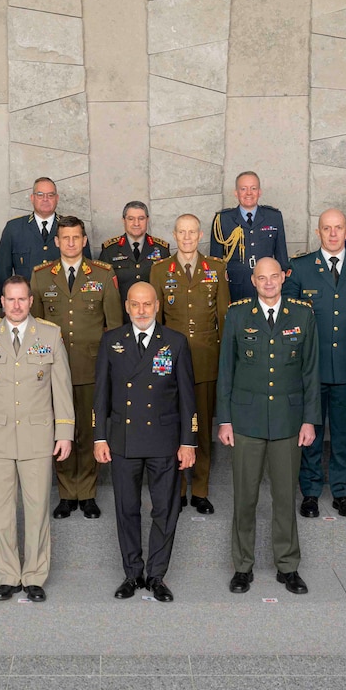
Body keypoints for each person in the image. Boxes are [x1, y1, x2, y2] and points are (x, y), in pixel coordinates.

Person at [0, 277, 74, 601]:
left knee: (38, 509)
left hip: (37, 436)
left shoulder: (50, 334)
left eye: (22, 299)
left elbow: (62, 388)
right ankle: (8, 575)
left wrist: (64, 432)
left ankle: (35, 576)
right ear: (2, 301)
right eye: (10, 300)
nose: (16, 305)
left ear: (30, 301)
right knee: (0, 511)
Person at [218, 258, 320, 595]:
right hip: (246, 419)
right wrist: (225, 420)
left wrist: (309, 419)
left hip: (288, 421)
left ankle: (287, 566)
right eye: (262, 278)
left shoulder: (302, 314)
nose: (268, 283)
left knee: (284, 496)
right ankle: (242, 566)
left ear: (283, 277)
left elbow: (310, 372)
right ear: (253, 280)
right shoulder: (238, 314)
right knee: (245, 497)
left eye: (274, 277)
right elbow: (226, 371)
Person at [93, 282, 196, 602]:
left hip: (164, 440)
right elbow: (100, 394)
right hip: (123, 440)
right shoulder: (112, 341)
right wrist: (99, 436)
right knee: (126, 508)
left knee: (166, 509)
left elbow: (188, 398)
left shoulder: (175, 342)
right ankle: (132, 573)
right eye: (135, 305)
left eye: (147, 304)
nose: (141, 311)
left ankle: (157, 575)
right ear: (126, 306)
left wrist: (188, 441)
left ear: (157, 305)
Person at [284, 209, 346, 518]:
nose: (333, 234)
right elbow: (289, 323)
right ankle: (310, 492)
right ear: (318, 232)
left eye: (338, 228)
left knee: (342, 434)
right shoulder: (300, 268)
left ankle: (341, 491)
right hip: (310, 368)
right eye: (327, 228)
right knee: (309, 432)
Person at [32, 216, 123, 519]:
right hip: (53, 370)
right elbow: (34, 328)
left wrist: (112, 369)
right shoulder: (41, 276)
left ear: (85, 241)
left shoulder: (103, 273)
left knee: (88, 430)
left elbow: (114, 327)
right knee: (60, 431)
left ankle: (88, 493)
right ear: (56, 242)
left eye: (76, 238)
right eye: (65, 238)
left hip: (91, 368)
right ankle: (66, 493)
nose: (71, 243)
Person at [150, 212, 230, 513]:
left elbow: (223, 318)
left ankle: (199, 489)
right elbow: (155, 324)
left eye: (192, 232)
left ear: (200, 236)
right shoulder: (160, 270)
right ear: (174, 234)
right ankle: (175, 489)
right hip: (169, 364)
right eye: (181, 232)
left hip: (207, 361)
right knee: (171, 428)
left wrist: (225, 365)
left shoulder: (216, 268)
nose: (187, 237)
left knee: (202, 430)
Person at [211, 170, 289, 300]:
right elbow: (215, 262)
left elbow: (282, 258)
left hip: (267, 286)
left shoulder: (274, 217)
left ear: (259, 192)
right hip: (235, 287)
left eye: (253, 188)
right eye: (243, 189)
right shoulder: (222, 220)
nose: (249, 193)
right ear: (236, 193)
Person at [0, 177, 69, 283]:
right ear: (32, 198)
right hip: (27, 298)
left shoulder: (71, 228)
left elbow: (86, 269)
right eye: (40, 195)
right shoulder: (14, 228)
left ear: (57, 198)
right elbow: (3, 273)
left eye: (50, 195)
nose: (45, 199)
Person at [97, 200, 169, 299]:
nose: (136, 223)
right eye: (131, 219)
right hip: (121, 312)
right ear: (123, 220)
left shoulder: (162, 249)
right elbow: (102, 288)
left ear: (147, 220)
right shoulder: (110, 250)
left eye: (141, 218)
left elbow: (168, 286)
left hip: (152, 312)